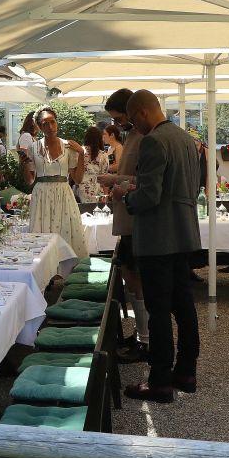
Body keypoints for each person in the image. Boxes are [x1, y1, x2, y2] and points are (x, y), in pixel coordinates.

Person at [112, 89, 201, 402]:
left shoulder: (153, 141)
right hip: (184, 233)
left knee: (159, 310)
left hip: (158, 238)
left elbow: (150, 196)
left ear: (142, 112)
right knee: (184, 306)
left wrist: (126, 197)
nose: (134, 127)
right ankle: (186, 372)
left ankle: (160, 381)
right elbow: (190, 186)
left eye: (133, 120)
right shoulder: (186, 139)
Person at [97, 89, 149, 360]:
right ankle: (142, 333)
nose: (116, 125)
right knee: (131, 278)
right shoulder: (132, 136)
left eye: (118, 119)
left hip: (135, 220)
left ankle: (145, 339)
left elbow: (145, 181)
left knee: (137, 281)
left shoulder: (144, 138)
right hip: (127, 219)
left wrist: (114, 181)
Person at [23, 107, 89, 258]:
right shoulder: (33, 147)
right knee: (42, 236)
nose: (50, 126)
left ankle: (68, 268)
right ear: (39, 127)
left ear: (56, 122)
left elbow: (78, 179)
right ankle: (44, 268)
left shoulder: (68, 146)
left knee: (66, 232)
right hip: (41, 196)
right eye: (45, 123)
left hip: (63, 195)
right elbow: (29, 181)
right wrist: (24, 164)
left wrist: (81, 153)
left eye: (52, 122)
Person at [76, 125, 110, 203]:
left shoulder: (79, 152)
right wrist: (106, 195)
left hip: (81, 191)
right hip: (97, 192)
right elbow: (105, 178)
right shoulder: (103, 155)